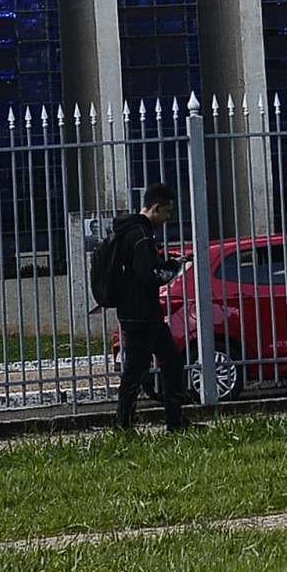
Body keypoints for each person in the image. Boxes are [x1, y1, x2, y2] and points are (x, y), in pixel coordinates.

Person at [108, 182, 191, 434]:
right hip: (142, 315)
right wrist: (173, 267)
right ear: (155, 208)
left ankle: (173, 421)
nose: (168, 218)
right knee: (137, 371)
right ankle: (126, 425)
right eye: (166, 212)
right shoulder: (141, 235)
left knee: (169, 363)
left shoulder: (128, 231)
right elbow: (148, 275)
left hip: (138, 314)